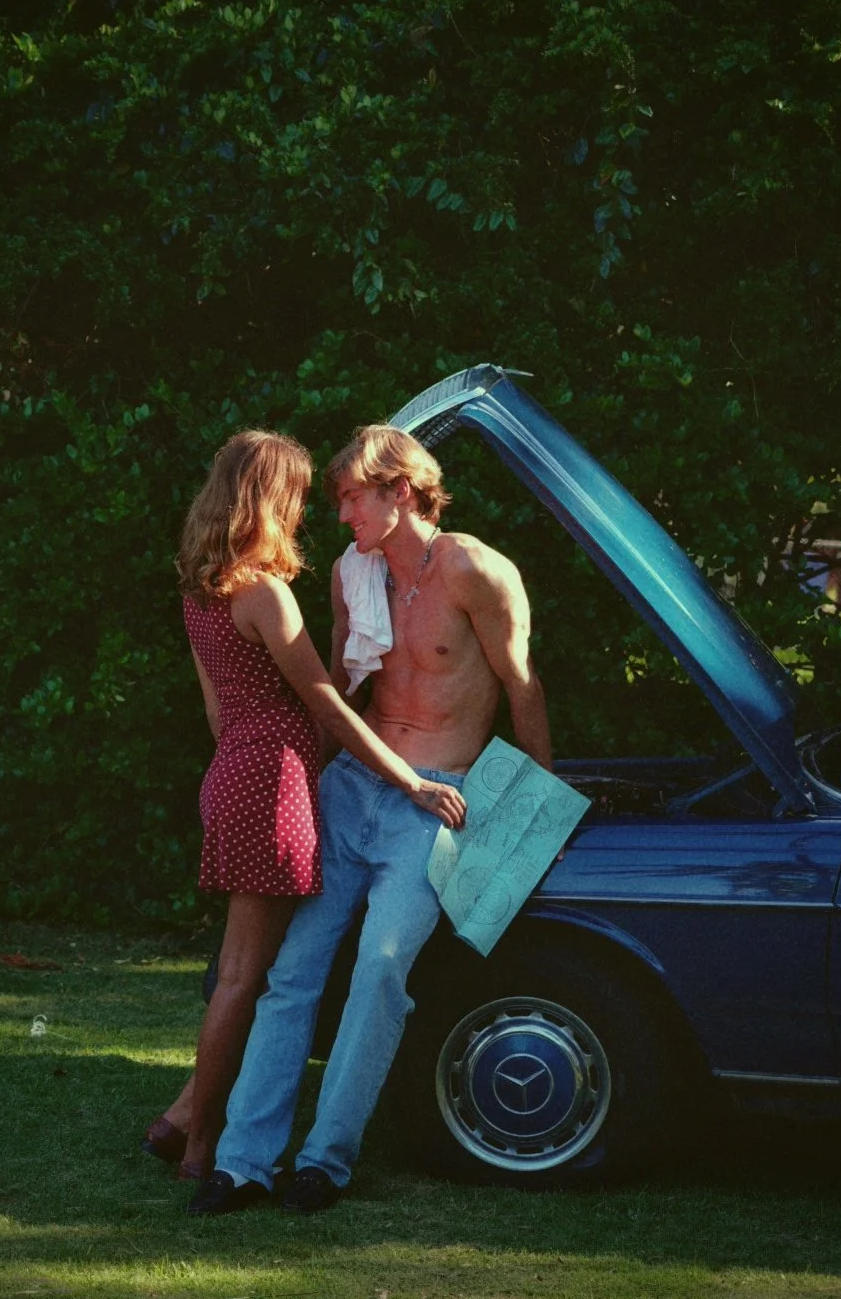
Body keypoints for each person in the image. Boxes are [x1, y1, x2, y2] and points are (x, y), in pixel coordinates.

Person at [191, 423, 550, 1216]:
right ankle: (243, 1161)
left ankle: (324, 1160)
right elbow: (340, 696)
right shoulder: (353, 574)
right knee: (292, 973)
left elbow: (522, 684)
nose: (341, 512)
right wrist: (305, 784)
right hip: (354, 787)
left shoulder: (478, 571)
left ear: (402, 491)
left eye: (353, 496)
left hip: (437, 797)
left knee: (383, 966)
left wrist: (537, 801)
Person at [141, 430, 466, 1184]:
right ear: (268, 498)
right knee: (247, 977)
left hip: (229, 775)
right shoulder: (264, 592)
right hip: (275, 783)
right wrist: (410, 781)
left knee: (248, 971)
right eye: (295, 495)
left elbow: (221, 718)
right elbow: (326, 705)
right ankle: (200, 1147)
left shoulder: (201, 590)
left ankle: (187, 1120)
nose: (308, 511)